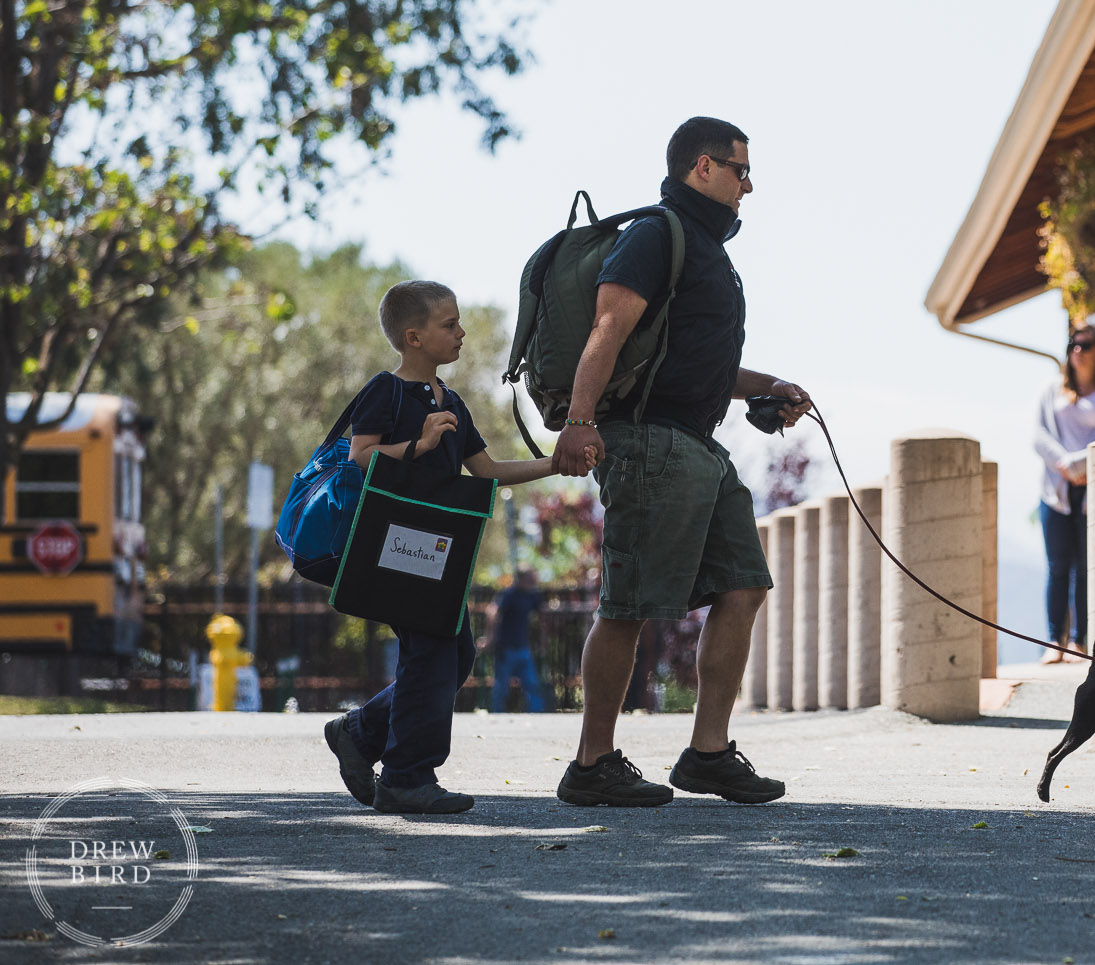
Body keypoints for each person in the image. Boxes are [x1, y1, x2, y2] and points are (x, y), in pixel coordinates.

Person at [550, 116, 813, 807]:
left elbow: (697, 360)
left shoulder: (705, 248)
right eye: (740, 169)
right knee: (630, 603)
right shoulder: (656, 235)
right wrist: (580, 421)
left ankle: (708, 753)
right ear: (703, 166)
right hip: (647, 440)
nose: (748, 184)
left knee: (744, 588)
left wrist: (769, 386)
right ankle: (592, 762)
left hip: (701, 446)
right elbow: (611, 325)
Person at [323, 281, 559, 815]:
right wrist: (420, 446)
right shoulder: (384, 391)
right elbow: (360, 456)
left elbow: (490, 471)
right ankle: (406, 775)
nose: (461, 333)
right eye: (449, 325)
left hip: (439, 551)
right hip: (396, 549)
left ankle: (360, 732)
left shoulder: (450, 401)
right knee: (431, 653)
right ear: (414, 337)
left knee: (454, 655)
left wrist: (555, 463)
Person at [1031, 322, 1095, 662]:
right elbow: (1039, 436)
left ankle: (1079, 641)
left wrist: (1081, 466)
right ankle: (1053, 640)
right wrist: (1066, 465)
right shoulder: (1051, 389)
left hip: (1092, 491)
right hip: (1055, 490)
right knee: (1056, 566)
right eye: (1074, 343)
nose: (1078, 350)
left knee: (1086, 569)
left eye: (1085, 344)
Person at [484, 567, 546, 713]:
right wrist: (490, 636)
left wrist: (543, 640)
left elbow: (543, 615)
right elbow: (492, 612)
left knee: (531, 683)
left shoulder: (532, 595)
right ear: (522, 579)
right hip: (506, 647)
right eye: (530, 579)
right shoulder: (509, 594)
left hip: (523, 647)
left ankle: (537, 714)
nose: (533, 582)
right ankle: (497, 713)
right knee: (501, 685)